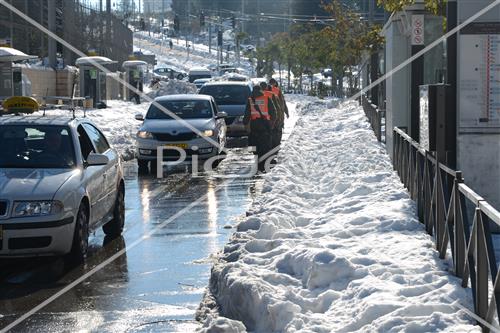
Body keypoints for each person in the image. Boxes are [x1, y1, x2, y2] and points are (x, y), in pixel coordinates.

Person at [243, 85, 276, 171]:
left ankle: (258, 160)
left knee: (255, 143)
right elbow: (273, 112)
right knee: (265, 144)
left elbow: (247, 114)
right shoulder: (266, 98)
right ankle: (265, 162)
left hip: (255, 125)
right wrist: (272, 123)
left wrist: (245, 124)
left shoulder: (250, 100)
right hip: (265, 125)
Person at [269, 78, 289, 147]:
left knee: (274, 129)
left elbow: (283, 102)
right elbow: (283, 102)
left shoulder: (268, 90)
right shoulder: (277, 90)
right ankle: (276, 144)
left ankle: (274, 144)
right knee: (277, 129)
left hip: (274, 114)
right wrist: (286, 112)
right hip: (278, 113)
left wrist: (286, 111)